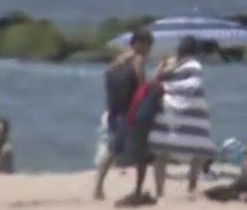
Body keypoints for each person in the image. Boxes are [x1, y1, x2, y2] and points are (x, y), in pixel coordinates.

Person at [149, 36, 219, 198]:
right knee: (199, 149)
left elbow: (155, 81)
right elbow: (194, 85)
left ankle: (160, 191)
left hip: (168, 113)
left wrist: (164, 66)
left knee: (161, 152)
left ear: (179, 49)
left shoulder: (174, 65)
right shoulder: (194, 64)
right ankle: (191, 186)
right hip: (193, 113)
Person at [93, 29, 153, 201]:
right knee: (142, 151)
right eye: (149, 45)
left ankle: (98, 187)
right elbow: (142, 85)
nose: (149, 49)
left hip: (114, 111)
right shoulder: (138, 59)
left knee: (113, 149)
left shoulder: (118, 59)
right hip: (130, 111)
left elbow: (107, 77)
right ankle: (138, 189)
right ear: (141, 44)